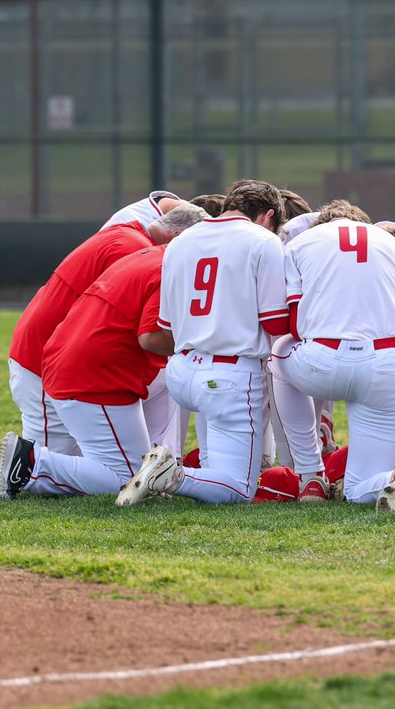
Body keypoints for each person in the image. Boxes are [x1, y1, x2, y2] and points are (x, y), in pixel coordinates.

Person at [0, 210, 203, 499]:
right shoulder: (141, 249)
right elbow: (147, 334)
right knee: (108, 476)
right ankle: (30, 462)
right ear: (179, 236)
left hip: (57, 353)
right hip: (55, 359)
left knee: (69, 469)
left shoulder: (129, 237)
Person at [117, 180, 301, 506]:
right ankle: (172, 474)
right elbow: (275, 323)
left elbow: (166, 325)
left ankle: (174, 471)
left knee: (218, 467)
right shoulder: (262, 241)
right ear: (267, 215)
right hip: (230, 375)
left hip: (183, 371)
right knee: (238, 489)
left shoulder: (181, 241)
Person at [268, 201, 395, 511]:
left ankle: (310, 474)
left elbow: (292, 324)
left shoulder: (300, 242)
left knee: (278, 353)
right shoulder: (392, 244)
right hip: (389, 362)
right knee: (359, 487)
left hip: (324, 360)